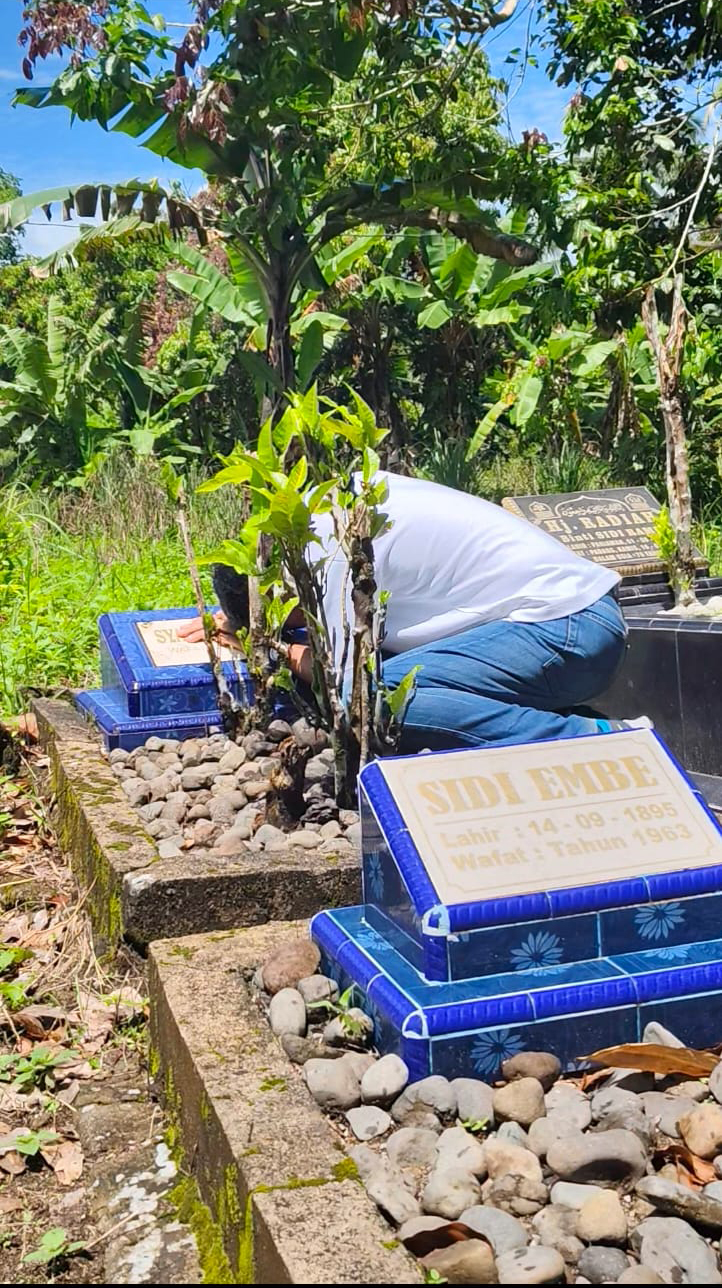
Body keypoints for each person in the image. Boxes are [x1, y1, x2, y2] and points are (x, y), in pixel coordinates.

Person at [178, 471, 642, 750]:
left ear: (288, 592)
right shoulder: (326, 512)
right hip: (570, 624)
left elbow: (347, 689)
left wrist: (271, 645)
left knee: (380, 700)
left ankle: (592, 740)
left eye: (295, 622)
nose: (304, 630)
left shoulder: (333, 558)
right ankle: (571, 717)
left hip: (568, 630)